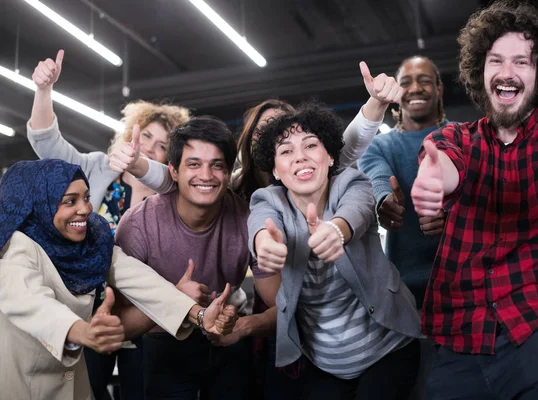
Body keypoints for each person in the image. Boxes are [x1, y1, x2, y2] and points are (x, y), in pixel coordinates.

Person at [109, 62, 403, 399]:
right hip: (188, 336)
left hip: (336, 327)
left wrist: (375, 105)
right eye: (270, 136)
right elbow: (184, 180)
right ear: (255, 147)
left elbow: (346, 155)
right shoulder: (240, 197)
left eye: (297, 138)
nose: (291, 148)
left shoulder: (328, 181)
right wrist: (139, 165)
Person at [410, 2, 538, 399]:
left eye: (522, 62)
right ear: (481, 71)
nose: (507, 72)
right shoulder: (457, 137)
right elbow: (442, 161)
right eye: (496, 60)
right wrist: (432, 179)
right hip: (459, 340)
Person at [0, 159, 237, 400]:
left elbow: (140, 279)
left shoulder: (92, 240)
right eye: (70, 201)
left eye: (86, 197)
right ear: (40, 204)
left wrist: (199, 314)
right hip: (23, 385)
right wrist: (84, 331)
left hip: (75, 386)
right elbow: (30, 302)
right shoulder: (17, 248)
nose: (85, 209)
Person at [27, 49, 190, 399]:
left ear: (170, 156)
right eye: (145, 135)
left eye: (162, 145)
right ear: (130, 133)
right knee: (86, 389)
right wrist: (43, 90)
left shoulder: (173, 193)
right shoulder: (96, 168)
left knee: (141, 390)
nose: (149, 147)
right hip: (88, 302)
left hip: (144, 314)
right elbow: (45, 142)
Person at [248, 103, 423, 400]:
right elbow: (259, 222)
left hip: (389, 348)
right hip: (325, 364)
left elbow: (357, 209)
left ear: (330, 156)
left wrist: (335, 231)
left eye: (311, 145)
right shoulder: (268, 199)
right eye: (286, 151)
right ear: (275, 169)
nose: (300, 156)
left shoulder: (352, 182)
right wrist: (265, 243)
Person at [114, 116, 279, 400]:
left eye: (217, 165)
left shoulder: (248, 220)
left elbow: (283, 307)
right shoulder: (138, 224)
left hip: (226, 342)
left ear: (228, 173)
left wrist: (242, 326)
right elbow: (119, 324)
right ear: (173, 171)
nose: (206, 175)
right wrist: (174, 301)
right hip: (161, 342)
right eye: (193, 164)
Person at [358, 55, 449, 399]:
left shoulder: (463, 137)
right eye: (406, 81)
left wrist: (452, 211)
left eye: (425, 80)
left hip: (464, 291)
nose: (415, 88)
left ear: (439, 89)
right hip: (407, 299)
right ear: (397, 92)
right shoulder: (380, 145)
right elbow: (377, 176)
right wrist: (385, 201)